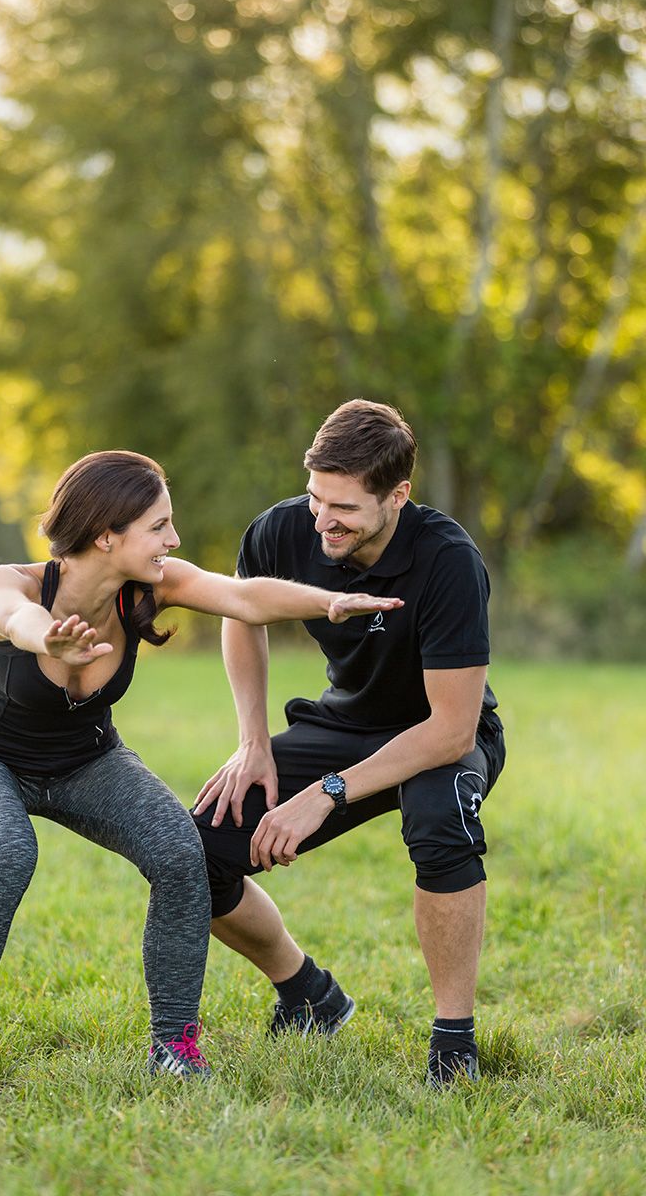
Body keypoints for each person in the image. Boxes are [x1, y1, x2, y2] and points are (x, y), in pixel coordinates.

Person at [0, 449, 402, 1090]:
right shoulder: (12, 582)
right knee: (8, 851)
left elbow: (243, 597)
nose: (173, 539)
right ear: (105, 534)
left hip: (86, 760)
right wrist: (49, 640)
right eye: (159, 527)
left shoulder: (152, 584)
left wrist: (330, 601)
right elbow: (15, 617)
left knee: (182, 854)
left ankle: (174, 1048)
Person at [193, 401, 506, 1088]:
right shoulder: (282, 530)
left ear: (397, 496)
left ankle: (454, 1042)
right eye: (315, 498)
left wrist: (325, 794)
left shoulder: (448, 560)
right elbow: (241, 614)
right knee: (192, 852)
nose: (322, 520)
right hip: (343, 722)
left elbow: (450, 728)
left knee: (440, 820)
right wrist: (254, 743)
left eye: (345, 507)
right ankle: (308, 993)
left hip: (440, 731)